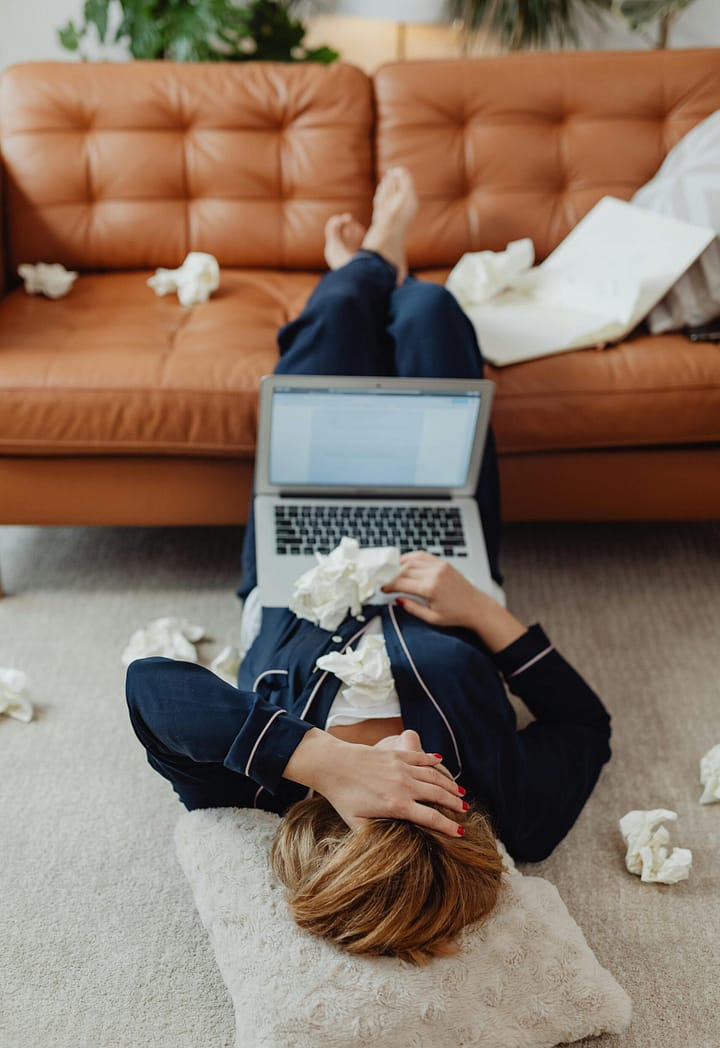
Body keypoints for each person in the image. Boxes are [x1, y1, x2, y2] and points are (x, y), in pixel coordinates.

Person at [127, 168, 611, 965]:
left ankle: (368, 260)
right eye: (439, 807)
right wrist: (485, 616)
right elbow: (584, 726)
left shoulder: (258, 782)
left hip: (305, 528)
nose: (420, 771)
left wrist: (323, 760)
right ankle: (394, 267)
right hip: (446, 545)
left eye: (392, 802)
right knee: (430, 311)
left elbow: (150, 684)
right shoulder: (511, 809)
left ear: (340, 819)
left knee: (342, 314)